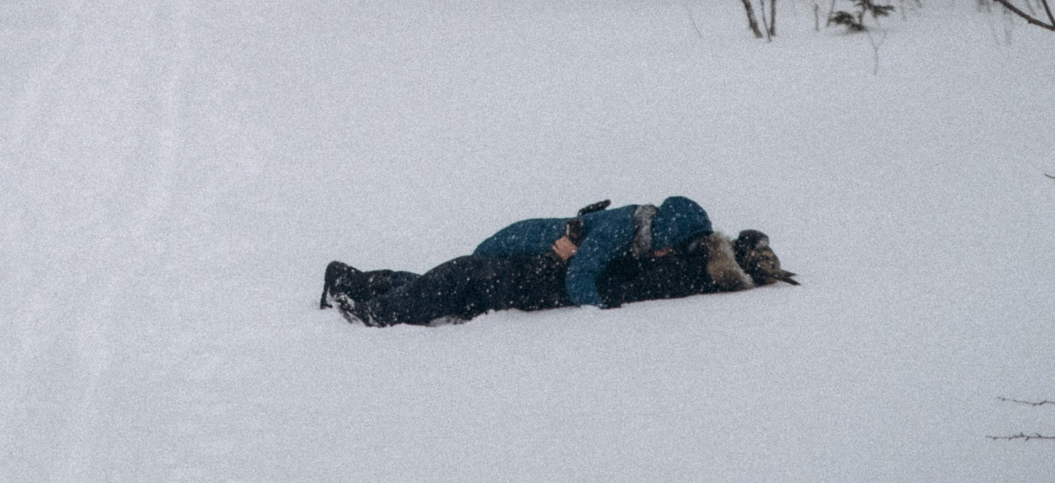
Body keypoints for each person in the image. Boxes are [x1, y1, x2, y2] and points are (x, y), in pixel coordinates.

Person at [319, 195, 794, 327]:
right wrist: (597, 310)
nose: (670, 255)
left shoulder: (652, 230)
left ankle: (365, 279)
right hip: (516, 246)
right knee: (454, 281)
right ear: (663, 237)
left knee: (444, 284)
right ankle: (353, 291)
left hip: (524, 256)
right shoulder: (619, 230)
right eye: (672, 247)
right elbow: (581, 274)